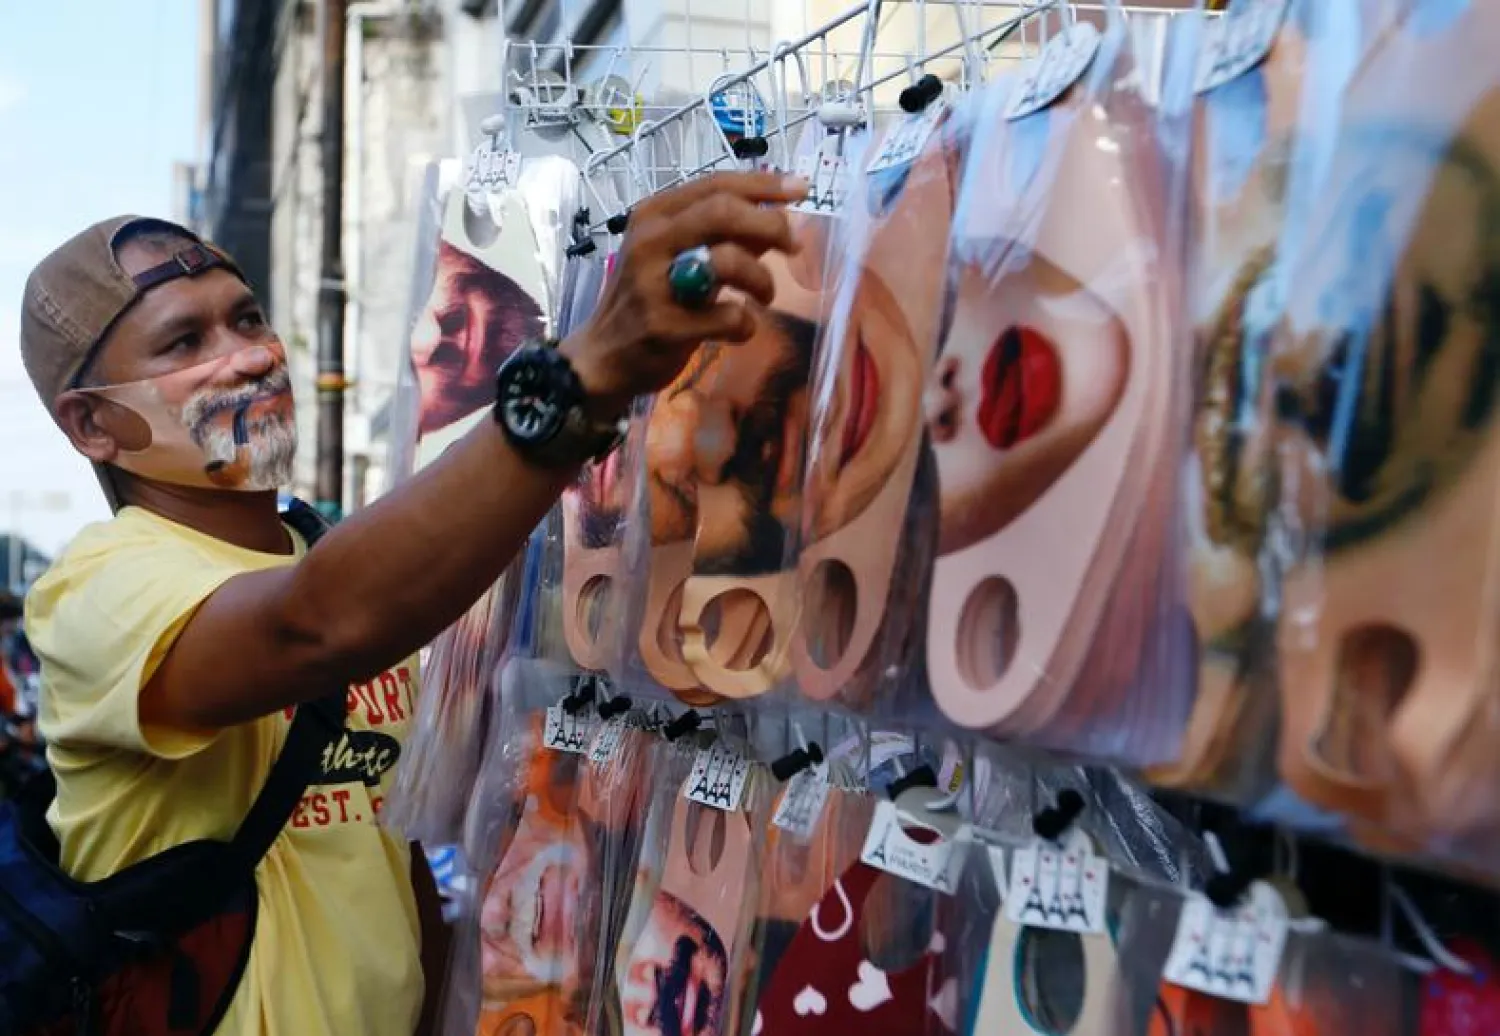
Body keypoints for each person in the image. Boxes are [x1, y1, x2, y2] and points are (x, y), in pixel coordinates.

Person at [16, 170, 807, 1036]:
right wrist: (585, 375)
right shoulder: (99, 586)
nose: (248, 354)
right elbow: (314, 625)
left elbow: (384, 853)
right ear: (92, 425)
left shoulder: (325, 551)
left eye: (247, 317)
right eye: (183, 342)